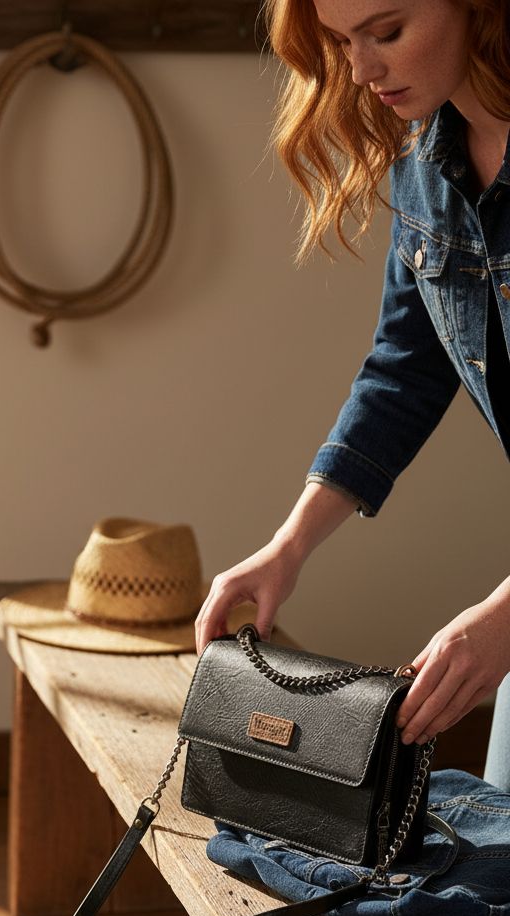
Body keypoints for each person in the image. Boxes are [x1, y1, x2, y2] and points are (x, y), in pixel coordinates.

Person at [196, 0, 510, 787]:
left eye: (387, 32)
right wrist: (288, 546)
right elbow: (405, 366)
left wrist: (503, 620)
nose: (362, 70)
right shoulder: (425, 163)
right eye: (342, 41)